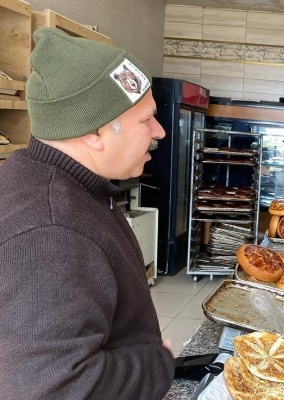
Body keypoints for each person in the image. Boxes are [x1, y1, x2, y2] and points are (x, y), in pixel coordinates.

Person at [0, 28, 174, 399]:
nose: (159, 131)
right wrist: (157, 363)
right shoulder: (51, 230)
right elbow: (50, 386)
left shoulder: (54, 183)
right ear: (94, 131)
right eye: (146, 120)